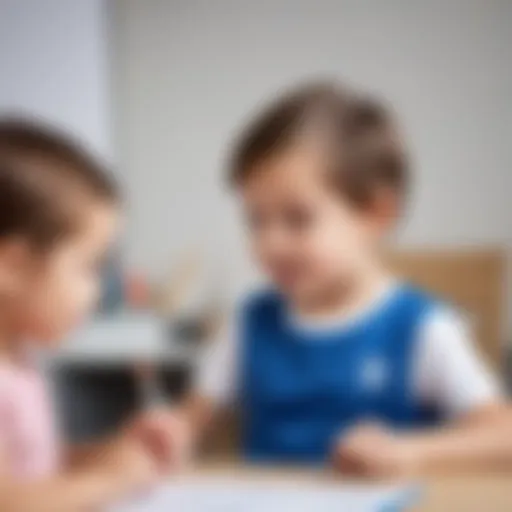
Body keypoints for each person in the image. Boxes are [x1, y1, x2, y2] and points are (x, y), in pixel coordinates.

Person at [133, 82, 511, 478]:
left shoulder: (422, 328)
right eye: (255, 220)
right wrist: (168, 434)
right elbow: (190, 422)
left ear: (375, 215)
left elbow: (505, 436)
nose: (269, 243)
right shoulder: (249, 322)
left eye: (298, 219)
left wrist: (412, 452)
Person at [0, 119, 160, 511]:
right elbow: (12, 502)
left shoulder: (19, 361)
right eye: (90, 267)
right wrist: (111, 482)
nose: (98, 291)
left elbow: (35, 470)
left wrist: (109, 453)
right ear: (13, 267)